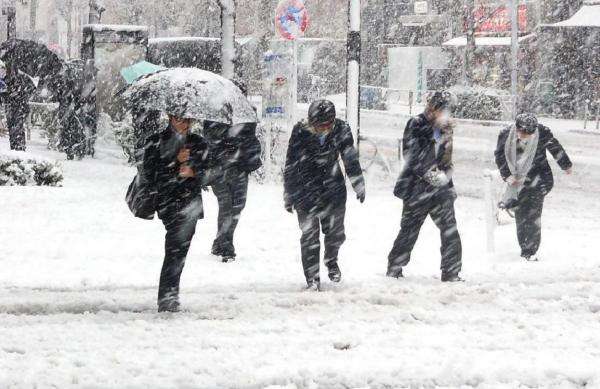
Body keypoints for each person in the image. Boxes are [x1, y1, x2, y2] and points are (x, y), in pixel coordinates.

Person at [284, 99, 365, 290]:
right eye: (318, 125)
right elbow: (291, 163)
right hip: (305, 189)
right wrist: (288, 193)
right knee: (309, 236)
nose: (322, 128)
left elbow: (350, 158)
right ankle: (312, 277)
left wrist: (358, 184)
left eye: (326, 125)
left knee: (336, 233)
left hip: (333, 188)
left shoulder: (341, 129)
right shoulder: (300, 131)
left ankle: (331, 259)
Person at [387, 91, 463, 282]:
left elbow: (446, 159)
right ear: (434, 109)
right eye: (445, 112)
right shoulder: (416, 124)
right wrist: (429, 174)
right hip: (416, 188)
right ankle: (395, 268)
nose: (448, 117)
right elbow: (411, 155)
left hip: (441, 190)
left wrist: (447, 180)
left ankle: (451, 272)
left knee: (450, 230)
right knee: (409, 230)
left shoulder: (446, 130)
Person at [142, 109, 211, 312]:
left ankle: (169, 293)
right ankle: (168, 296)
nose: (185, 124)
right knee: (174, 249)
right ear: (170, 118)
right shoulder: (156, 141)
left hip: (190, 203)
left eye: (189, 119)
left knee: (179, 251)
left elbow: (209, 173)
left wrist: (193, 170)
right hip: (169, 202)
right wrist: (175, 163)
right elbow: (150, 172)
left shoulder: (198, 143)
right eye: (180, 119)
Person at [494, 113, 573, 262]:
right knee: (521, 216)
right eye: (522, 132)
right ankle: (524, 247)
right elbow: (500, 156)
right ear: (516, 128)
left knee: (533, 216)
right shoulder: (505, 134)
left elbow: (555, 148)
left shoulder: (541, 132)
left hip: (539, 179)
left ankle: (530, 251)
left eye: (529, 133)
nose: (525, 136)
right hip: (517, 182)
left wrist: (566, 165)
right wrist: (508, 176)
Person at [203, 119, 262, 262]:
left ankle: (219, 242)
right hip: (220, 169)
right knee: (226, 205)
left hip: (239, 169)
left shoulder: (245, 116)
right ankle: (226, 246)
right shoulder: (215, 114)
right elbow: (210, 142)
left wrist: (246, 154)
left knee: (237, 206)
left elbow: (252, 141)